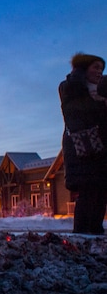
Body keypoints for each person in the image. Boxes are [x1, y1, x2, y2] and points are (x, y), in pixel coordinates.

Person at [59, 53, 107, 234]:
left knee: (100, 193)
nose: (99, 72)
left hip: (101, 151)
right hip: (83, 151)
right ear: (84, 68)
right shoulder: (70, 88)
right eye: (95, 67)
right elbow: (77, 113)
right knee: (88, 193)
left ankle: (94, 233)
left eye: (102, 69)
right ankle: (82, 237)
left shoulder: (101, 91)